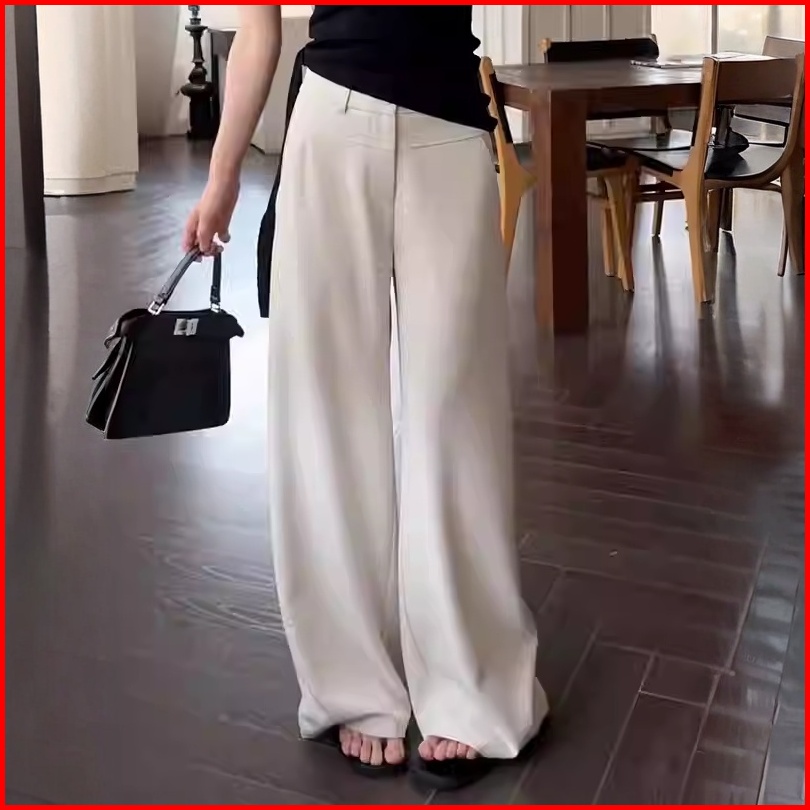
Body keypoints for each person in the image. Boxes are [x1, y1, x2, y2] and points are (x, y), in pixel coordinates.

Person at [183, 5, 548, 791]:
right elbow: (260, 30)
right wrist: (221, 179)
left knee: (456, 418)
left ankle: (474, 686)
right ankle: (351, 686)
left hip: (450, 129)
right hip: (330, 123)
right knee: (326, 415)